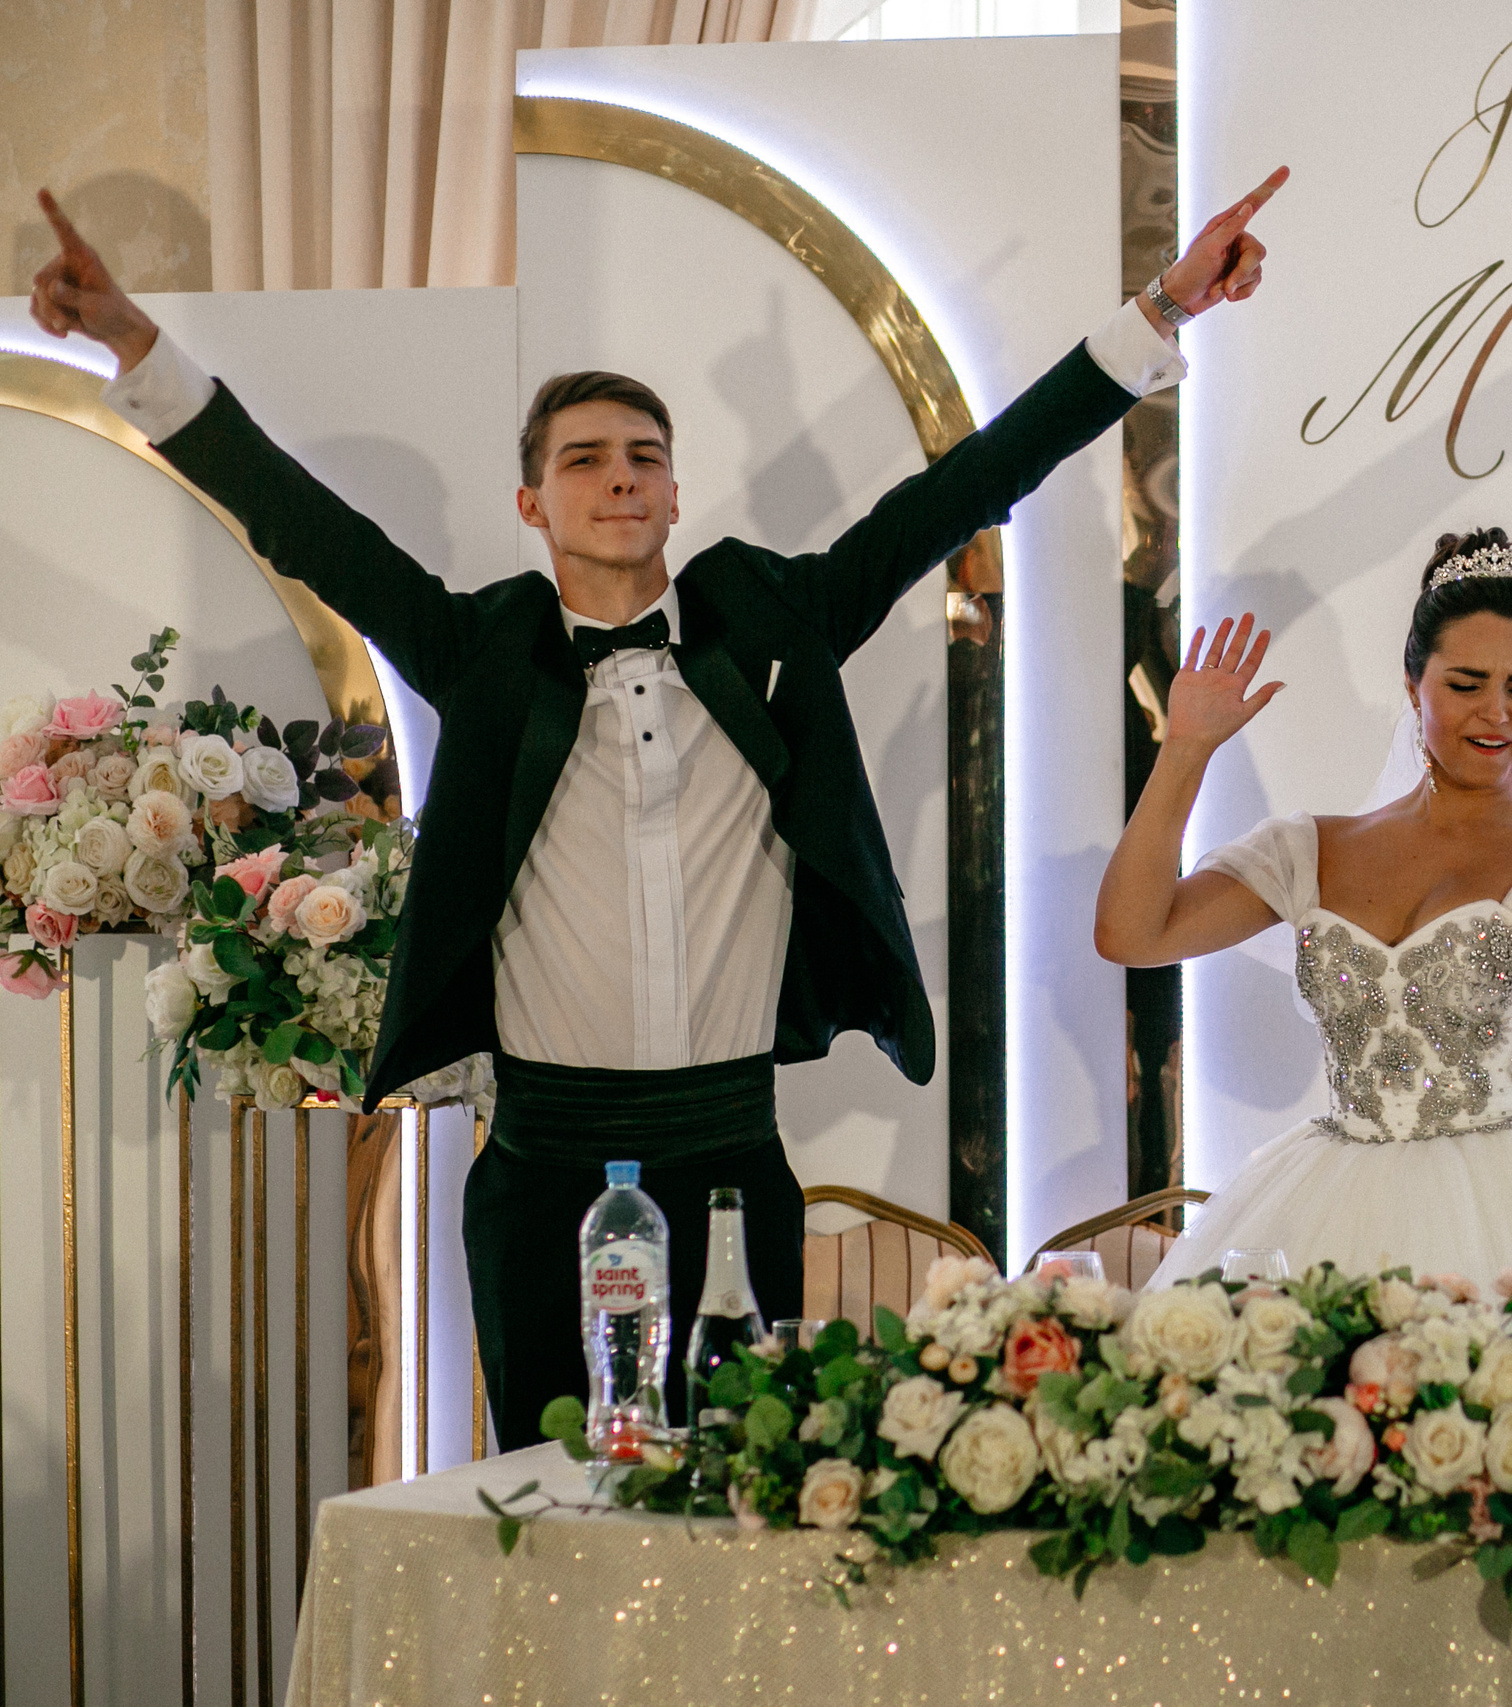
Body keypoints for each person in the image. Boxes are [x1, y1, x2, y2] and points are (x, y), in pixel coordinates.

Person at [27, 170, 1285, 1449]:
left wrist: (1158, 309)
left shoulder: (774, 620)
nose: (619, 479)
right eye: (584, 461)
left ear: (677, 494)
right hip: (541, 1171)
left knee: (748, 1497)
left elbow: (965, 488)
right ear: (533, 505)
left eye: (645, 459)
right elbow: (307, 528)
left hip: (735, 1153)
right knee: (551, 1503)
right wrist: (139, 347)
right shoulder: (483, 652)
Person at [1093, 528, 1512, 1351]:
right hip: (1329, 1200)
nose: (1496, 712)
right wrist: (1185, 749)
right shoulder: (1311, 849)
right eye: (1466, 683)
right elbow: (1130, 931)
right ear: (1412, 685)